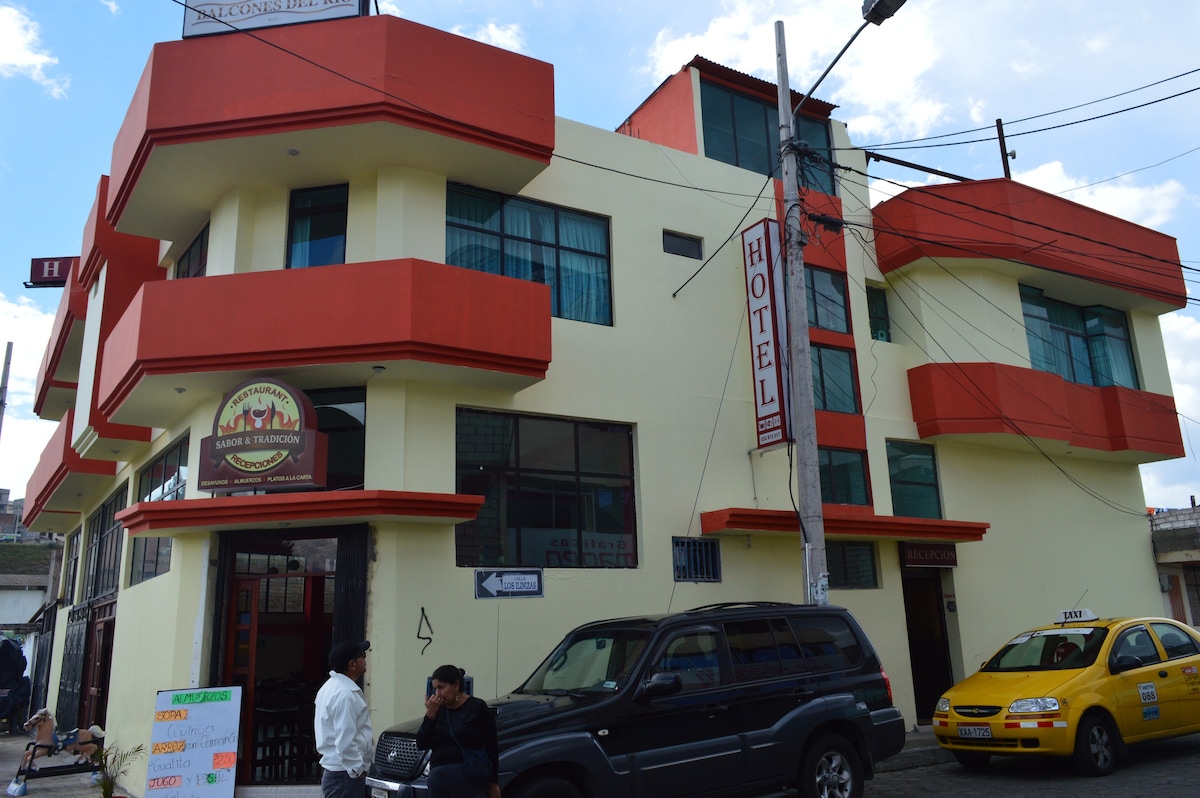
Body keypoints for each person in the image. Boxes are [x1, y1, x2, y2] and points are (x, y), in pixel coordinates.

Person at [416, 664, 500, 798]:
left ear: (456, 685)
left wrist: (493, 783)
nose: (438, 694)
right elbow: (422, 743)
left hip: (469, 777)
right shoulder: (437, 710)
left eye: (441, 687)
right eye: (435, 688)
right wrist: (430, 716)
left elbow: (491, 745)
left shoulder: (476, 707)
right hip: (440, 780)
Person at [314, 640, 373, 798]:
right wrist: (356, 771)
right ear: (352, 664)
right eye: (362, 655)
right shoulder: (345, 694)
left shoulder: (331, 687)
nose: (365, 659)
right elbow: (345, 740)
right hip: (344, 774)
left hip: (340, 772)